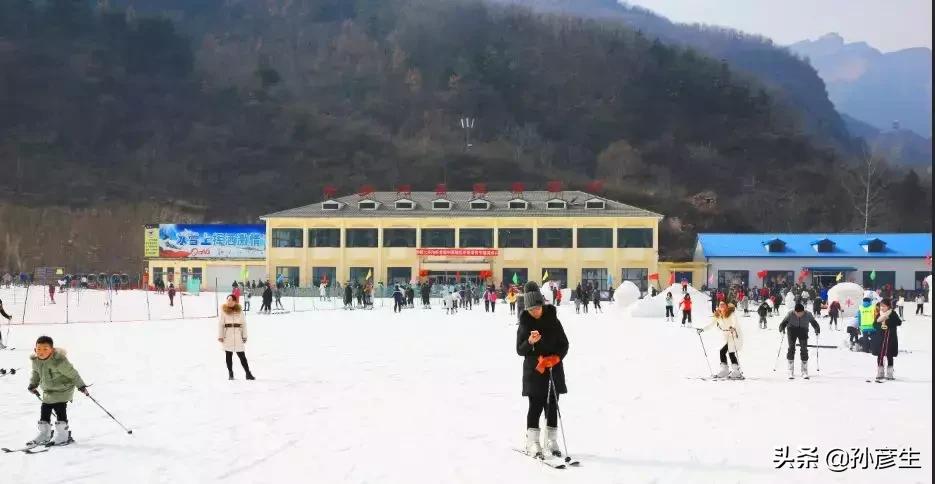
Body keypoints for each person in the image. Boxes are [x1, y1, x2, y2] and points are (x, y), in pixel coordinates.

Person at [516, 281, 569, 458]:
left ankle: (551, 440)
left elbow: (564, 344)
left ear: (542, 305)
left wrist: (556, 358)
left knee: (552, 405)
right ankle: (532, 441)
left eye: (537, 308)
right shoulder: (525, 324)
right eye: (531, 310)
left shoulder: (553, 320)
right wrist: (530, 342)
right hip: (534, 371)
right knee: (535, 405)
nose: (535, 312)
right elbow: (519, 350)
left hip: (553, 369)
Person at [26, 336, 89, 447]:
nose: (41, 352)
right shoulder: (36, 361)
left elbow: (73, 374)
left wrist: (81, 386)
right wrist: (33, 384)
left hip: (63, 389)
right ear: (35, 349)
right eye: (39, 349)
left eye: (45, 349)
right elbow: (36, 374)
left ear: (52, 349)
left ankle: (63, 436)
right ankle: (45, 434)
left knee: (59, 408)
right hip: (48, 391)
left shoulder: (59, 362)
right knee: (45, 409)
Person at [697, 301, 744, 379]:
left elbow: (734, 322)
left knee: (731, 351)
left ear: (726, 306)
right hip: (727, 336)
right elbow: (711, 325)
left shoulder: (731, 314)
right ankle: (725, 370)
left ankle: (736, 371)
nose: (721, 306)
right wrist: (702, 329)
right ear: (718, 307)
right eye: (720, 305)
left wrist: (733, 327)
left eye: (723, 304)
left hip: (734, 334)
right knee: (722, 351)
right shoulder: (718, 316)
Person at [778, 303, 821, 379]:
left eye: (800, 313)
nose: (798, 315)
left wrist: (817, 329)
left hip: (803, 330)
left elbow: (814, 322)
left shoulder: (808, 314)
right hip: (792, 330)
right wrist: (781, 328)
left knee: (804, 349)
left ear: (803, 311)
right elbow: (783, 322)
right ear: (794, 311)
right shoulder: (790, 314)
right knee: (791, 348)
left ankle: (804, 370)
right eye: (797, 313)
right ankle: (790, 370)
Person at [218, 294, 254, 380]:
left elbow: (244, 324)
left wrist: (244, 336)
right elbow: (220, 324)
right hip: (228, 335)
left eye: (230, 300)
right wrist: (221, 336)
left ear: (234, 301)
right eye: (228, 300)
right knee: (228, 355)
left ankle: (248, 373)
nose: (228, 301)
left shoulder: (240, 311)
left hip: (238, 335)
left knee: (242, 356)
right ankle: (230, 374)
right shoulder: (224, 311)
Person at [871, 298, 901, 381]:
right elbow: (874, 324)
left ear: (888, 306)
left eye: (884, 306)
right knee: (880, 354)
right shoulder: (879, 314)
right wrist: (880, 326)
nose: (882, 308)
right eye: (881, 306)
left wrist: (888, 323)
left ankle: (890, 373)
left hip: (890, 338)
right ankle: (880, 372)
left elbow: (899, 322)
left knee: (889, 355)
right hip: (880, 338)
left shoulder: (893, 313)